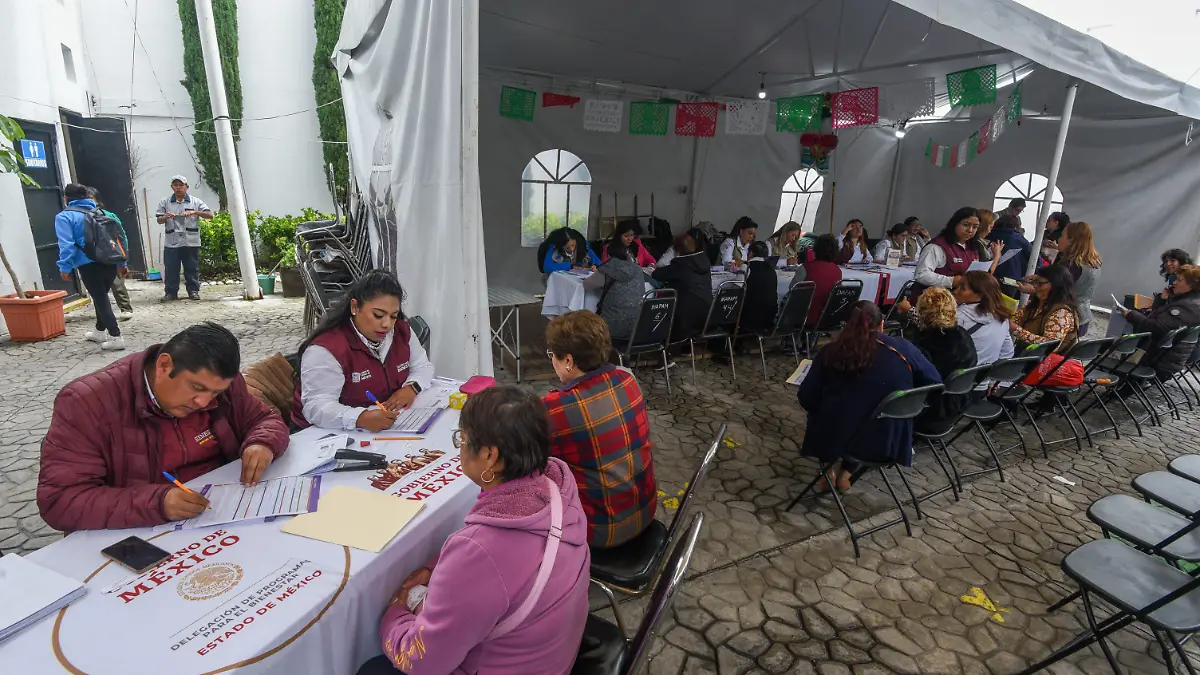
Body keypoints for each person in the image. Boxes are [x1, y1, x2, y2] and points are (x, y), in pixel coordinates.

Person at [367, 387, 589, 675]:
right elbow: (502, 573)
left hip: (517, 665)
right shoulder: (557, 487)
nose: (460, 446)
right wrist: (438, 568)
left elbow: (423, 661)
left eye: (463, 438)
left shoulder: (481, 551)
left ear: (490, 456)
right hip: (553, 655)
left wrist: (394, 614)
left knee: (372, 667)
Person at [37, 322, 289, 531]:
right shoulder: (87, 402)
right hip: (142, 530)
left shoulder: (220, 385)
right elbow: (60, 501)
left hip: (226, 513)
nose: (203, 402)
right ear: (164, 366)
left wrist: (262, 443)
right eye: (196, 388)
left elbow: (264, 419)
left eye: (214, 393)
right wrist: (157, 503)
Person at [797, 301, 941, 493]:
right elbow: (934, 382)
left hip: (834, 437)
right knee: (864, 411)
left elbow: (807, 397)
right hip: (888, 440)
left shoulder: (830, 352)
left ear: (845, 325)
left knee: (833, 411)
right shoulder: (904, 349)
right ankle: (846, 473)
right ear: (881, 324)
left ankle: (827, 470)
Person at [541, 311, 656, 548]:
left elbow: (528, 461)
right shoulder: (627, 379)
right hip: (644, 510)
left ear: (569, 361)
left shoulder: (556, 408)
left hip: (601, 530)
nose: (552, 360)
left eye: (553, 355)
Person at [293, 270, 435, 432]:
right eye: (378, 315)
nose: (387, 324)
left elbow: (423, 366)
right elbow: (316, 406)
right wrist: (359, 418)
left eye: (394, 316)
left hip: (386, 425)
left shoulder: (401, 332)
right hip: (327, 434)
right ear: (355, 307)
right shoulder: (326, 349)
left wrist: (412, 388)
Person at [54, 183, 126, 351]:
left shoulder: (65, 217)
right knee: (101, 298)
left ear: (66, 198)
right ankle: (99, 332)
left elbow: (67, 245)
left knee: (101, 300)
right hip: (110, 261)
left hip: (88, 264)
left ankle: (116, 337)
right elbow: (120, 238)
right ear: (87, 196)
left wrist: (65, 267)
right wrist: (122, 262)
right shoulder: (104, 213)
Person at [910, 288, 977, 432]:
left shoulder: (923, 346)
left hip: (926, 416)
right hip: (956, 409)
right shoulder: (964, 336)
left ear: (922, 312)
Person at [1121, 265, 1200, 380]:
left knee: (1117, 343)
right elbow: (1161, 317)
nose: (1175, 283)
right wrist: (1163, 299)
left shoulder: (1188, 307)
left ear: (1192, 285)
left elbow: (1156, 328)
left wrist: (1131, 315)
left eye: (1179, 280)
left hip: (1163, 357)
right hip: (1171, 353)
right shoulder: (1189, 301)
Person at [155, 175, 213, 302]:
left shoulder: (195, 202)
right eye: (175, 185)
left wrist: (195, 212)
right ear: (172, 187)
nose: (178, 187)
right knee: (171, 268)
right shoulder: (165, 202)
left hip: (191, 241)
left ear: (187, 187)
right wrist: (166, 217)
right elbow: (159, 220)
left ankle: (193, 291)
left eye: (181, 185)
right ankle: (171, 293)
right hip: (172, 241)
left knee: (191, 267)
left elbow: (210, 215)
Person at [651, 231, 712, 339]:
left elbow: (657, 274)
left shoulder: (680, 264)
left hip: (684, 320)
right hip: (705, 316)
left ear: (677, 251)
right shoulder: (705, 261)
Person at [87, 187, 134, 321]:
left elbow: (121, 236)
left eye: (91, 198)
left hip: (112, 255)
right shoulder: (84, 217)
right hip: (94, 258)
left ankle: (125, 308)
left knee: (118, 283)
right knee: (97, 289)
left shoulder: (109, 215)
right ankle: (102, 315)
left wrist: (123, 258)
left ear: (97, 200)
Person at [913, 207, 980, 298]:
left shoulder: (973, 247)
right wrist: (951, 281)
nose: (970, 230)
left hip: (959, 301)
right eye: (966, 225)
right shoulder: (937, 246)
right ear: (955, 223)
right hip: (933, 301)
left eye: (975, 227)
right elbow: (921, 274)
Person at [1011, 264, 1079, 352]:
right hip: (1027, 354)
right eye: (1034, 282)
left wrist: (1016, 330)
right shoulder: (1037, 304)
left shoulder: (1061, 313)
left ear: (1055, 286)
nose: (1034, 286)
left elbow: (1050, 344)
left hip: (1044, 361)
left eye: (1040, 283)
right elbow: (1016, 319)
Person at [953, 271, 1014, 365]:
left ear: (979, 296)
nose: (955, 291)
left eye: (962, 288)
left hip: (952, 377)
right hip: (984, 377)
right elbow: (1007, 353)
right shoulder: (1002, 318)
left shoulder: (956, 317)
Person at [1053, 221, 1102, 336]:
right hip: (1083, 317)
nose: (1058, 239)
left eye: (1062, 236)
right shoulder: (1094, 262)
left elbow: (1054, 293)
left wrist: (1034, 289)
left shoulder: (1070, 265)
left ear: (1071, 240)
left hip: (1065, 319)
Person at [595, 239, 645, 339]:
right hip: (637, 327)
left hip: (610, 326)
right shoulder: (638, 269)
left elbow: (587, 284)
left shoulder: (606, 269)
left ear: (609, 255)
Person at [799, 234, 843, 326]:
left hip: (804, 315)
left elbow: (792, 288)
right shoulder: (837, 271)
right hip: (826, 316)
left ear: (816, 248)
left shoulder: (806, 267)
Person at [988, 214, 1033, 294]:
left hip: (990, 276)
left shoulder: (989, 234)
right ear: (1016, 226)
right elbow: (1033, 256)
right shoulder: (1018, 238)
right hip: (1011, 280)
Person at [742, 241, 778, 333]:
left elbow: (737, 287)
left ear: (751, 253)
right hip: (769, 316)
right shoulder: (772, 271)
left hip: (750, 316)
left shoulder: (746, 267)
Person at [969, 209, 1004, 274]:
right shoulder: (977, 245)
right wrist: (996, 255)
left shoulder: (973, 242)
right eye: (990, 227)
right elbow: (985, 274)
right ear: (983, 226)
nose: (990, 231)